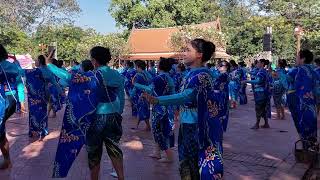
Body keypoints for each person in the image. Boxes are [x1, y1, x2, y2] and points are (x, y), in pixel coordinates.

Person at [144, 39, 223, 180]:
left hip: (196, 128)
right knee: (187, 164)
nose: (183, 53)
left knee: (194, 166)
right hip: (188, 124)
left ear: (199, 54)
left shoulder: (201, 76)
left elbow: (186, 96)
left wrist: (158, 100)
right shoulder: (193, 74)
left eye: (187, 50)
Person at [47, 47, 125, 180]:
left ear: (94, 61)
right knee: (114, 148)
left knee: (94, 152)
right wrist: (119, 112)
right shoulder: (116, 74)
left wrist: (49, 65)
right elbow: (121, 96)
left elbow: (68, 77)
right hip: (114, 116)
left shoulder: (92, 76)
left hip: (95, 117)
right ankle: (121, 177)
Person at [134, 57, 175, 162]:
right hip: (168, 106)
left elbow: (149, 89)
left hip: (160, 108)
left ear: (160, 66)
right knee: (163, 130)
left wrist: (136, 84)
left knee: (159, 131)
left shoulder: (159, 78)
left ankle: (169, 156)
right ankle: (157, 152)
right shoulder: (169, 78)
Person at [0, 44, 25, 169]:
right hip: (13, 100)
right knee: (1, 130)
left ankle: (7, 160)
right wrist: (22, 100)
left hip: (3, 101)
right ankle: (7, 160)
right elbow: (20, 81)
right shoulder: (13, 66)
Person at [294, 50, 318, 150]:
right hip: (313, 103)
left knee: (304, 125)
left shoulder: (301, 69)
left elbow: (300, 86)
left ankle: (307, 152)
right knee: (312, 125)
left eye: (298, 56)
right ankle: (312, 150)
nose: (296, 59)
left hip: (304, 102)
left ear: (303, 59)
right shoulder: (313, 70)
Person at [243, 59, 271, 129]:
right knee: (263, 109)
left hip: (260, 93)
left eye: (258, 63)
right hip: (263, 93)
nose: (257, 64)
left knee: (258, 108)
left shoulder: (261, 72)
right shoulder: (262, 71)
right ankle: (266, 123)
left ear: (262, 63)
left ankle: (257, 124)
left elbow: (258, 81)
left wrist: (247, 81)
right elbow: (254, 74)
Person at [130, 60, 152, 131]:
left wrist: (131, 95)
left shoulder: (138, 75)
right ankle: (137, 125)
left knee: (142, 110)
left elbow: (135, 87)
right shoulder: (148, 74)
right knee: (143, 110)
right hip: (147, 94)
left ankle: (148, 126)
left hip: (141, 95)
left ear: (138, 67)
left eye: (135, 67)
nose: (135, 68)